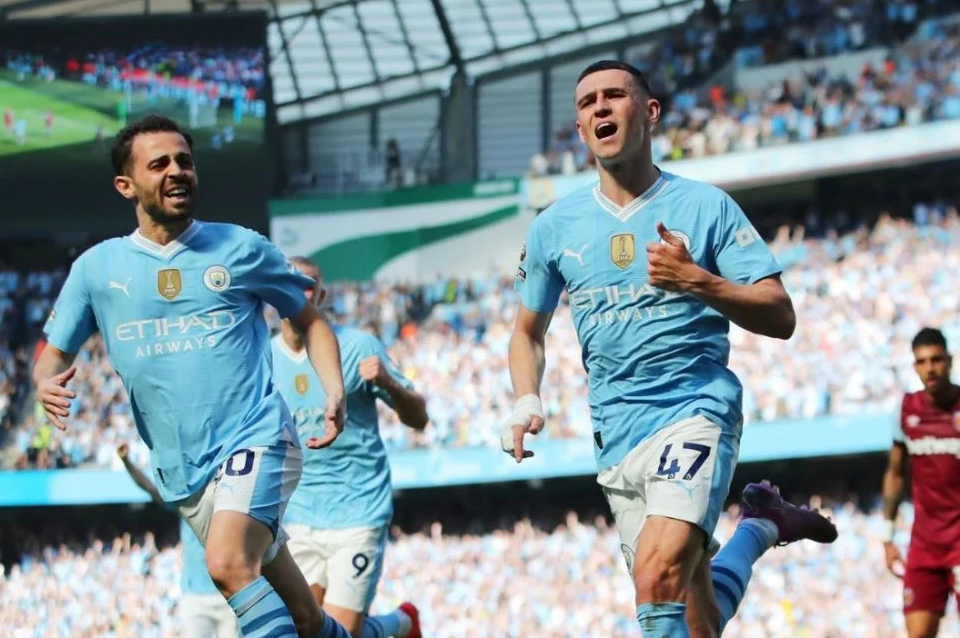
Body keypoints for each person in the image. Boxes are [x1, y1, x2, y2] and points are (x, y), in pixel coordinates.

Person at [502, 59, 837, 637]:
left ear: (650, 112)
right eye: (587, 103)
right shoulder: (554, 227)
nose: (600, 108)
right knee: (697, 620)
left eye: (614, 96)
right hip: (615, 434)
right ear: (580, 130)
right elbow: (527, 332)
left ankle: (757, 527)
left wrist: (696, 281)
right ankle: (760, 526)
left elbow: (780, 314)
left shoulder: (705, 207)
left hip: (693, 410)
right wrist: (525, 398)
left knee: (656, 578)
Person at [33, 114, 353, 638]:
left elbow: (311, 321)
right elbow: (52, 355)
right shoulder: (96, 269)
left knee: (227, 564)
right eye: (159, 164)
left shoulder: (241, 248)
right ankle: (394, 627)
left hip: (257, 437)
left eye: (184, 161)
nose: (176, 171)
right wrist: (45, 382)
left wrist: (333, 387)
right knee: (304, 617)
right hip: (184, 473)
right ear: (126, 185)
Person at [273, 257, 426, 638]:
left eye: (309, 284)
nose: (300, 291)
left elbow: (419, 418)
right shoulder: (262, 358)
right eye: (290, 282)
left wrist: (389, 383)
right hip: (299, 514)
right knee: (304, 630)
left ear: (322, 295)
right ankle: (400, 624)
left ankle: (402, 622)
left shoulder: (357, 347)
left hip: (358, 511)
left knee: (338, 633)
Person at [882, 327, 960, 638]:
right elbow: (895, 473)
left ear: (949, 360)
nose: (930, 368)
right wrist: (887, 536)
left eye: (936, 360)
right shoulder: (906, 409)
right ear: (915, 366)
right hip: (925, 546)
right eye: (922, 361)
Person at [117, 442, 239, 638]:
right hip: (195, 597)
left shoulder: (231, 501)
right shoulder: (187, 502)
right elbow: (149, 487)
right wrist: (127, 462)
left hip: (228, 595)